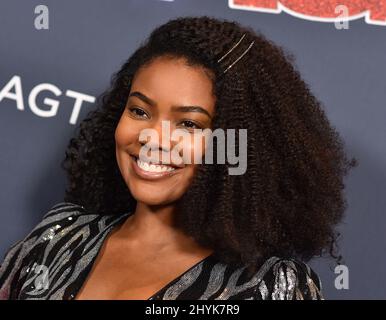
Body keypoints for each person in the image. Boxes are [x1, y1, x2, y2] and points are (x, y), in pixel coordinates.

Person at [0, 16, 357, 300]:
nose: (153, 138)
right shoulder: (58, 238)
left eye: (188, 123)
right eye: (140, 111)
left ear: (234, 145)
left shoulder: (267, 287)